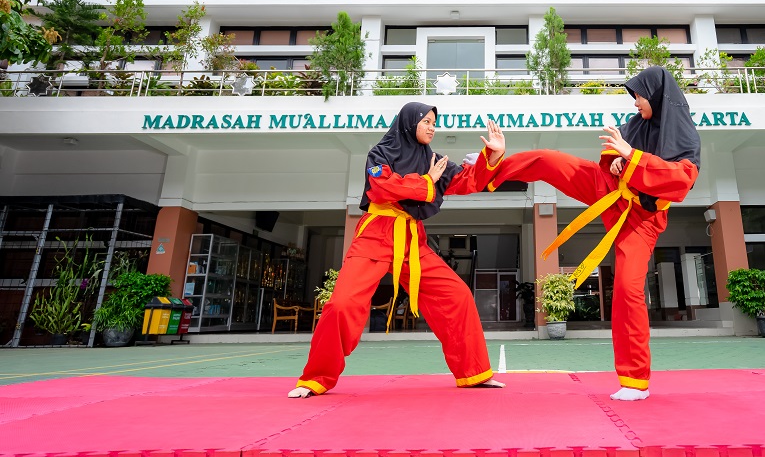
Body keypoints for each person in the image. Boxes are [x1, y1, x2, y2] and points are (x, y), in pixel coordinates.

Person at [487, 66, 700, 401]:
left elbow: (681, 181)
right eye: (633, 97)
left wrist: (630, 155)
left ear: (657, 94)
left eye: (639, 96)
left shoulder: (684, 135)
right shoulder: (635, 126)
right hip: (610, 190)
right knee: (548, 159)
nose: (635, 104)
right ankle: (493, 167)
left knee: (628, 291)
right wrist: (616, 160)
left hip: (642, 219)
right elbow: (613, 159)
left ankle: (634, 382)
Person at [289, 102, 507, 397]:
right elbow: (381, 187)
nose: (432, 127)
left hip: (412, 239)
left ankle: (474, 373)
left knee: (457, 296)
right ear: (409, 121)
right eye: (426, 121)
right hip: (375, 234)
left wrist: (492, 156)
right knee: (342, 305)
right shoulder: (380, 153)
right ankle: (315, 378)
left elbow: (467, 181)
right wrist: (425, 181)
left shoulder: (433, 159)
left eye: (434, 123)